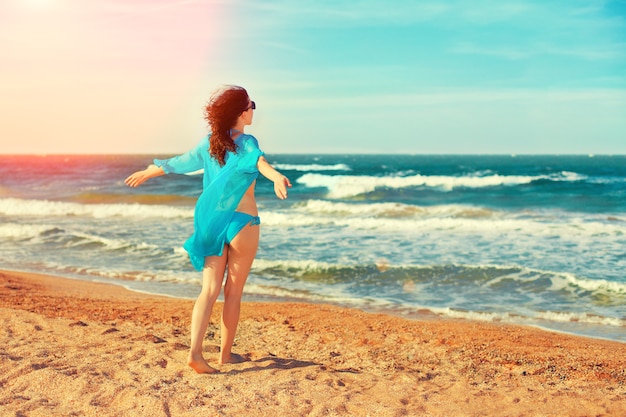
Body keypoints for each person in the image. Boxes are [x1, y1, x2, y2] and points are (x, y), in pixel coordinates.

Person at [124, 85, 291, 374]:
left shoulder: (210, 143)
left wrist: (152, 170)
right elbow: (260, 163)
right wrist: (276, 176)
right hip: (242, 224)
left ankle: (196, 354)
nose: (253, 110)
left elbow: (180, 162)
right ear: (241, 112)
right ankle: (225, 355)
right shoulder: (248, 141)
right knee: (233, 292)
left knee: (208, 290)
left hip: (212, 224)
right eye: (252, 105)